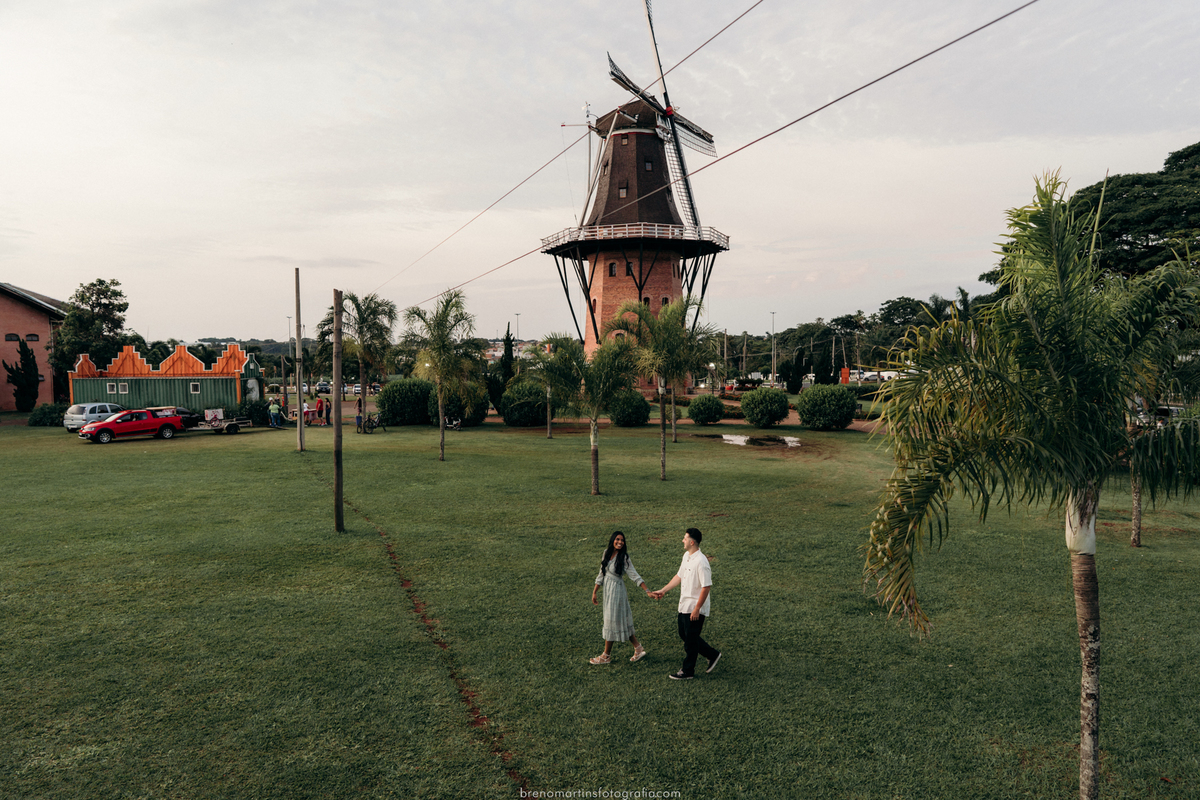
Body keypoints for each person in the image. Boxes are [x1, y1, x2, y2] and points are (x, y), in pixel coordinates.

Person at [651, 527, 721, 680]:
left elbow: (706, 586)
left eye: (685, 538)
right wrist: (663, 590)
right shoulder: (686, 556)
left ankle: (688, 671)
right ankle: (712, 654)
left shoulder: (701, 562)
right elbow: (679, 576)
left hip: (695, 607)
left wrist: (697, 608)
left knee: (690, 640)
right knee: (684, 634)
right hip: (684, 604)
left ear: (692, 542)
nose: (682, 540)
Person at [589, 531, 650, 665]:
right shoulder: (606, 553)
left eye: (622, 540)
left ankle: (606, 656)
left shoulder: (624, 557)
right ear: (613, 540)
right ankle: (638, 648)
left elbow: (634, 574)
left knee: (611, 620)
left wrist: (647, 590)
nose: (620, 542)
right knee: (619, 620)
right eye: (617, 539)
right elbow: (601, 573)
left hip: (617, 591)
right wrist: (595, 592)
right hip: (608, 591)